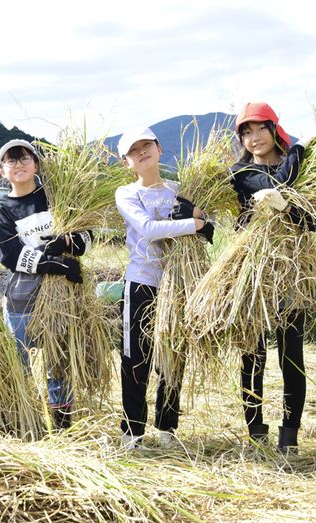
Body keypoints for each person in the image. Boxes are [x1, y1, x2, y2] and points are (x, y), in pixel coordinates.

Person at [114, 127, 214, 449]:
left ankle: (167, 429)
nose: (141, 152)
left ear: (158, 148)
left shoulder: (182, 190)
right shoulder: (127, 193)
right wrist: (194, 223)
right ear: (127, 162)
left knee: (173, 356)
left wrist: (202, 221)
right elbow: (148, 229)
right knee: (135, 358)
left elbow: (209, 230)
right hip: (142, 281)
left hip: (179, 284)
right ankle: (132, 433)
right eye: (134, 151)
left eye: (146, 145)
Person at [230, 102, 316, 454]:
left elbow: (314, 222)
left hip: (292, 272)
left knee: (291, 355)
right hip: (252, 274)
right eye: (245, 133)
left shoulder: (304, 172)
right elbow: (278, 182)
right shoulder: (240, 173)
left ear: (273, 128)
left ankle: (290, 434)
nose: (253, 138)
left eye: (259, 129)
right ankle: (255, 432)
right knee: (251, 354)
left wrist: (287, 207)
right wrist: (299, 148)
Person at [0, 139, 91, 429]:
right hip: (21, 299)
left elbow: (85, 236)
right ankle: (23, 422)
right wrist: (53, 263)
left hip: (63, 298)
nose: (18, 164)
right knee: (19, 363)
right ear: (2, 171)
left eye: (24, 158)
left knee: (59, 361)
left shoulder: (57, 196)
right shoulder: (2, 209)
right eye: (11, 160)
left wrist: (68, 242)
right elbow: (6, 255)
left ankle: (62, 426)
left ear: (36, 164)